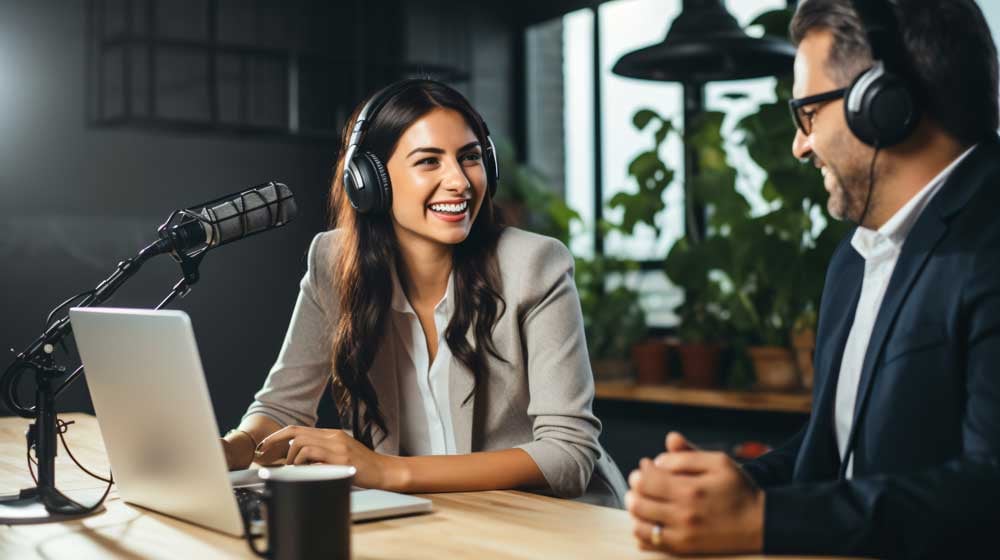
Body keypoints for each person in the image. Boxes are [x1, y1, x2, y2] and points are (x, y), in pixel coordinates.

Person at [626, 0, 1000, 556]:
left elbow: (987, 489)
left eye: (808, 114)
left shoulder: (987, 241)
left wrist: (764, 520)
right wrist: (735, 487)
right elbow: (835, 447)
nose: (801, 144)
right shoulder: (856, 258)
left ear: (883, 101)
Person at [220, 78, 627, 507]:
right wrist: (231, 449)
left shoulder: (534, 265)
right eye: (429, 161)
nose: (460, 182)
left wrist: (388, 470)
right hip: (427, 520)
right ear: (370, 181)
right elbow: (282, 410)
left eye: (469, 158)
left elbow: (568, 454)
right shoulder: (333, 263)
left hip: (544, 524)